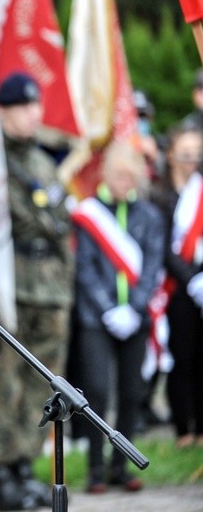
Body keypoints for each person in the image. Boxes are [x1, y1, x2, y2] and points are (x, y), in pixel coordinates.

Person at [0, 72, 73, 510]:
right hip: (11, 283)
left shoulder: (43, 163)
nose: (32, 114)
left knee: (44, 384)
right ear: (2, 111)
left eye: (35, 106)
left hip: (49, 286)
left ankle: (24, 466)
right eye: (22, 107)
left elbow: (61, 225)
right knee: (5, 382)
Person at [70, 143, 163, 493]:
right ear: (106, 175)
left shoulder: (149, 216)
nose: (126, 182)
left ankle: (121, 467)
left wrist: (134, 308)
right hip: (98, 318)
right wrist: (108, 308)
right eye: (120, 176)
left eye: (131, 176)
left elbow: (152, 265)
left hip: (134, 319)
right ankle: (95, 468)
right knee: (95, 390)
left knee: (131, 391)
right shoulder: (89, 214)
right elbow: (85, 267)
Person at [153, 124, 203, 449]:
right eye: (186, 155)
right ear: (171, 156)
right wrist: (190, 279)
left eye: (197, 155)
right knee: (181, 357)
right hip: (175, 286)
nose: (192, 161)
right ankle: (183, 429)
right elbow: (163, 246)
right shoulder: (161, 196)